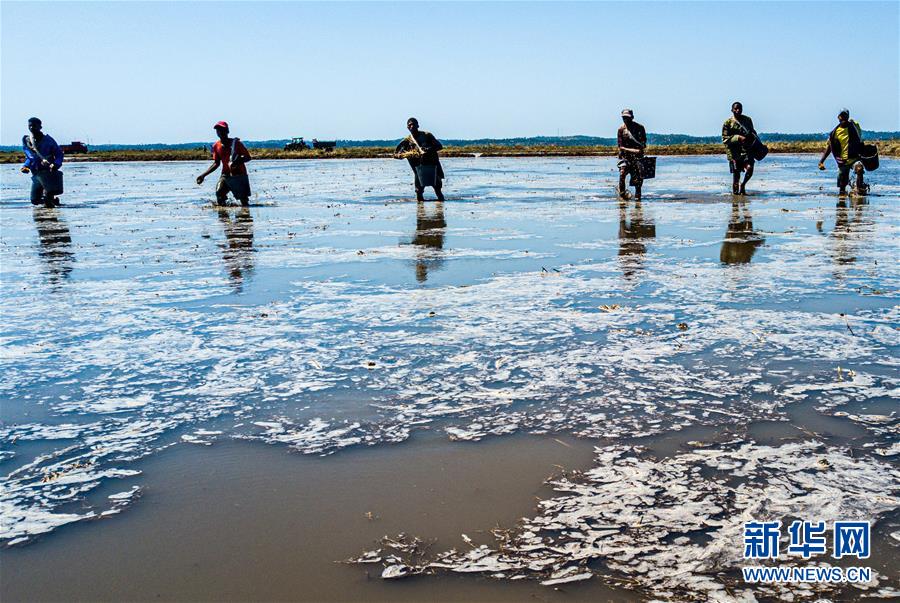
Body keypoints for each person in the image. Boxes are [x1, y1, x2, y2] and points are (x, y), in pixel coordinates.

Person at [196, 121, 252, 206]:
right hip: (225, 175)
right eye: (218, 130)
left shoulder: (236, 143)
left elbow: (248, 157)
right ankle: (223, 218)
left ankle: (244, 216)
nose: (220, 132)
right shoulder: (216, 146)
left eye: (222, 130)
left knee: (244, 201)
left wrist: (236, 162)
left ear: (227, 131)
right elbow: (216, 163)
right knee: (219, 193)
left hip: (239, 174)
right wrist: (203, 175)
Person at [818, 109, 867, 196]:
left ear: (848, 117)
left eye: (845, 115)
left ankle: (860, 193)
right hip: (842, 162)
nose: (843, 117)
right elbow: (830, 147)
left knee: (859, 169)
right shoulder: (835, 132)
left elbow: (860, 138)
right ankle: (841, 206)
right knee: (842, 189)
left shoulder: (854, 126)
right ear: (838, 117)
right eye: (842, 115)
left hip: (854, 158)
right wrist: (821, 161)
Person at [395, 118, 444, 201]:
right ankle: (420, 211)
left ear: (418, 125)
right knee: (418, 191)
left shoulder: (427, 135)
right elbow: (396, 154)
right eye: (410, 125)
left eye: (414, 124)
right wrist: (401, 156)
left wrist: (429, 149)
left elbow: (439, 146)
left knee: (437, 189)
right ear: (407, 127)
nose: (412, 126)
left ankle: (440, 209)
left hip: (432, 167)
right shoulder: (407, 141)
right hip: (419, 170)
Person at [21, 117, 64, 207]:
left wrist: (56, 164)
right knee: (35, 200)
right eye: (30, 126)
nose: (32, 128)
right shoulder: (27, 140)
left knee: (48, 195)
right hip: (36, 174)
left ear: (40, 127)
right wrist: (26, 166)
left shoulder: (48, 140)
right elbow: (30, 156)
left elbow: (59, 153)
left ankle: (50, 207)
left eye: (34, 126)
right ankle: (52, 201)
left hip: (48, 172)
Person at [722, 102, 757, 195]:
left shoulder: (748, 120)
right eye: (736, 109)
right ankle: (735, 199)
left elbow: (753, 132)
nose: (738, 110)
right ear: (732, 110)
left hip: (747, 150)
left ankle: (743, 185)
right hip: (734, 152)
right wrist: (738, 137)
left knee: (750, 169)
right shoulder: (728, 123)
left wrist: (753, 140)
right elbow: (725, 139)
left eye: (740, 108)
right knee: (736, 176)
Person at [616, 109, 647, 200]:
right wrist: (632, 151)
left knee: (638, 181)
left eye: (627, 118)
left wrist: (636, 150)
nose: (626, 120)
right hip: (626, 157)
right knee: (622, 174)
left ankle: (638, 200)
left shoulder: (640, 128)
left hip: (638, 158)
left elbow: (643, 145)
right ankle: (622, 196)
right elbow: (620, 146)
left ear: (632, 118)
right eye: (624, 118)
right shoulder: (621, 129)